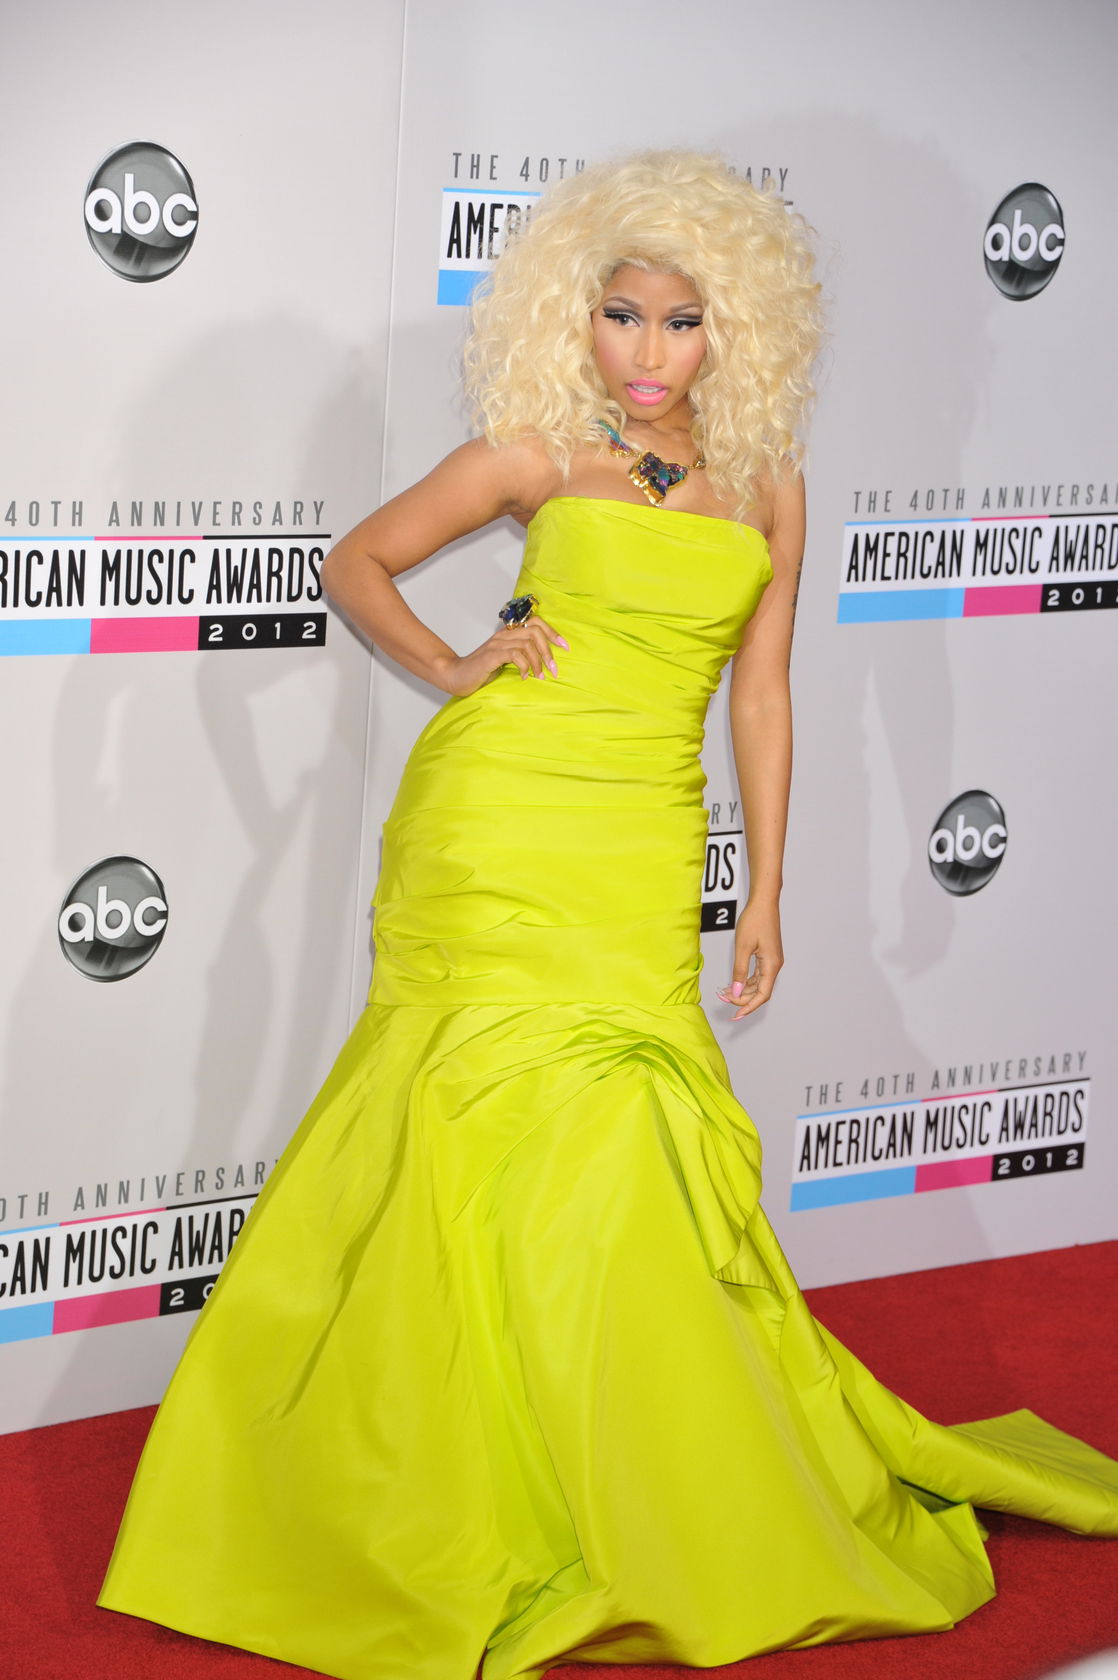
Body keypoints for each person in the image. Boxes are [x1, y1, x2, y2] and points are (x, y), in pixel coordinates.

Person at [98, 151, 1118, 1680]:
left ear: (735, 329)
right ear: (572, 316)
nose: (646, 353)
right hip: (493, 825)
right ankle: (422, 1487)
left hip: (637, 837)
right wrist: (454, 667)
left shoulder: (768, 479)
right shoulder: (537, 449)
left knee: (620, 1146)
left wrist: (766, 884)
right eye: (619, 315)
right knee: (455, 1124)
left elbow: (763, 693)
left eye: (681, 321)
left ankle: (621, 1468)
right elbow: (356, 560)